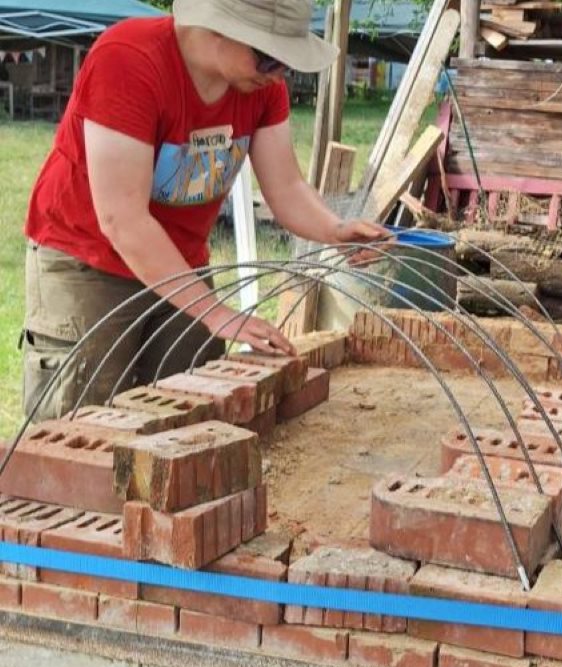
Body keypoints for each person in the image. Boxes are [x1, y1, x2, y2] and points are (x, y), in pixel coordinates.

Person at [21, 0, 392, 421]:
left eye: (285, 60)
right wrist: (216, 314)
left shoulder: (263, 87)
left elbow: (286, 187)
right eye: (269, 56)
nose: (278, 72)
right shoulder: (128, 61)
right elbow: (122, 219)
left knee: (189, 417)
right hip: (87, 263)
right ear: (219, 28)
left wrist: (335, 228)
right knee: (83, 426)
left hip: (181, 266)